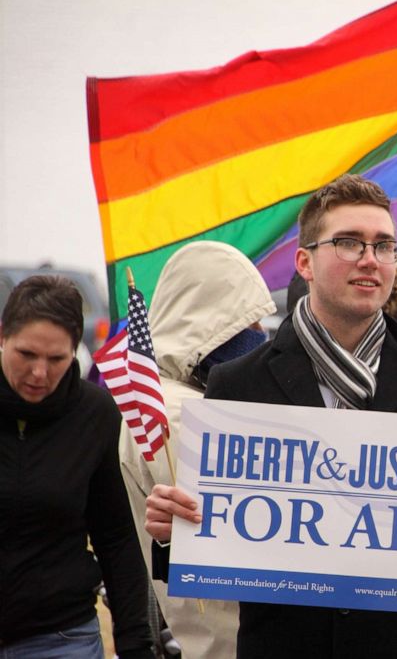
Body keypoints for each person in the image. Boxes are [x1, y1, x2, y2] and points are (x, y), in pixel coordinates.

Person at [145, 174, 397, 659]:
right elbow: (210, 563)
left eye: (385, 246)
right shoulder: (236, 385)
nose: (370, 258)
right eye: (348, 243)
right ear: (305, 262)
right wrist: (174, 535)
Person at [119, 241, 277, 659]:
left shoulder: (179, 397)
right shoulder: (176, 413)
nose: (261, 337)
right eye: (252, 325)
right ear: (216, 325)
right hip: (227, 637)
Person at [0, 275, 154, 658]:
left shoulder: (96, 415)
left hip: (60, 638)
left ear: (76, 352)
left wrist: (136, 639)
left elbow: (118, 537)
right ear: (2, 336)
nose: (40, 374)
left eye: (56, 359)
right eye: (26, 355)